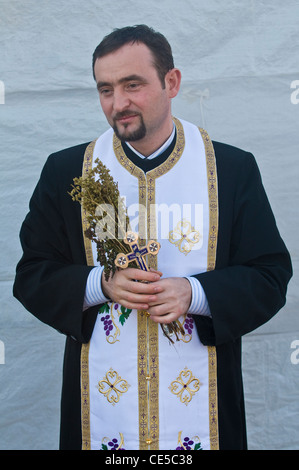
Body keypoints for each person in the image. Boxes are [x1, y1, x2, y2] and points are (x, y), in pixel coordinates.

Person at [13, 25, 292, 451]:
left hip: (204, 410)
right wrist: (100, 284)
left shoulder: (230, 170)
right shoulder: (69, 171)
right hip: (102, 413)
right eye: (105, 89)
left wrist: (194, 294)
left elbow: (270, 275)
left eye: (132, 85)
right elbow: (32, 273)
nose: (118, 103)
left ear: (171, 82)